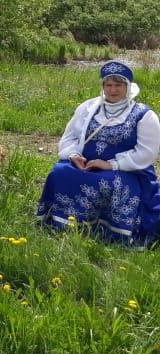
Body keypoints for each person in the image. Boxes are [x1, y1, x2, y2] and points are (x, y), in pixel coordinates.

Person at [37, 60, 160, 245]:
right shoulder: (88, 108)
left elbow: (147, 153)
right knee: (60, 173)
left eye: (118, 85)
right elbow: (68, 138)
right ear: (103, 86)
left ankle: (110, 233)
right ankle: (63, 225)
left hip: (126, 170)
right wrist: (74, 156)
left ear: (127, 86)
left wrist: (111, 165)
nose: (113, 90)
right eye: (108, 85)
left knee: (111, 182)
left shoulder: (144, 115)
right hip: (85, 165)